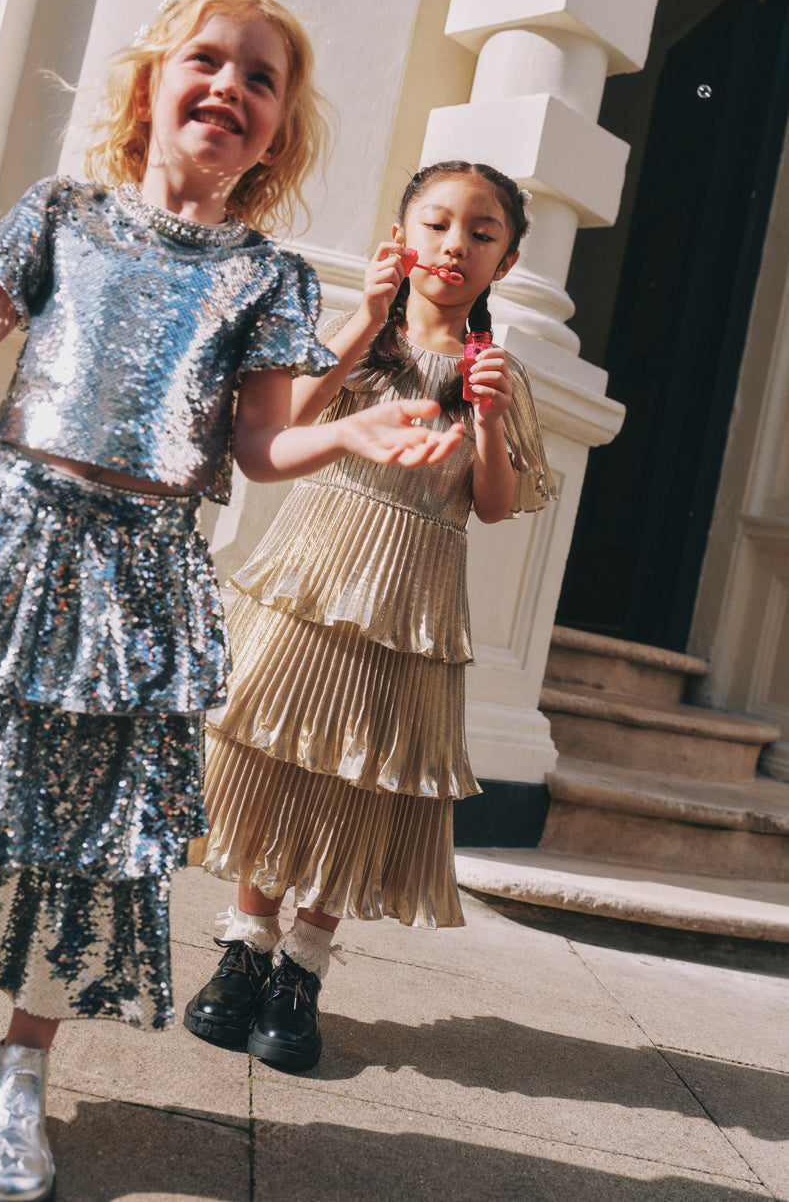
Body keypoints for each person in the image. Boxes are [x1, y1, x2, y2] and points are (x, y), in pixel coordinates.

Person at [0, 0, 464, 1202]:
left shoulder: (268, 279)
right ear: (151, 88)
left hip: (142, 575)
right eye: (209, 62)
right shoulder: (63, 216)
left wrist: (354, 435)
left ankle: (20, 1076)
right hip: (9, 544)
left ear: (279, 132)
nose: (230, 88)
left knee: (84, 830)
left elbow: (258, 448)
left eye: (262, 79)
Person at [184, 160, 556, 1072]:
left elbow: (496, 504)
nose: (454, 246)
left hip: (413, 595)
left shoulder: (493, 373)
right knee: (279, 748)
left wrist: (489, 420)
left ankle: (304, 961)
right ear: (402, 239)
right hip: (316, 571)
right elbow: (285, 431)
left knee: (362, 769)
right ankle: (245, 944)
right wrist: (359, 318)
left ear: (503, 264)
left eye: (481, 233)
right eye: (436, 224)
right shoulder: (359, 347)